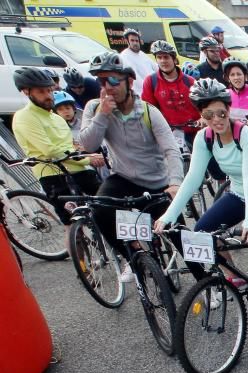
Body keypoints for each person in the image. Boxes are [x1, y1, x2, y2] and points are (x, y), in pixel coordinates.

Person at [153, 78, 248, 329]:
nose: (216, 120)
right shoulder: (204, 138)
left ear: (229, 110)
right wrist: (168, 215)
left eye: (221, 113)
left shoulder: (246, 135)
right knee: (201, 231)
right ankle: (234, 275)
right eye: (208, 115)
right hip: (238, 194)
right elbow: (192, 179)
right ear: (201, 114)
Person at [78, 52, 183, 274]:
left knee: (180, 236)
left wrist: (174, 183)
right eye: (102, 81)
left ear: (130, 81)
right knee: (99, 209)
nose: (108, 86)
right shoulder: (95, 108)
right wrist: (103, 115)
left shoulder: (148, 111)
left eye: (114, 80)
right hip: (123, 178)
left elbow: (171, 150)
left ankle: (209, 284)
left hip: (157, 181)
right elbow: (88, 144)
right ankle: (133, 257)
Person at [12, 67, 102, 225]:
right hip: (53, 175)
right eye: (41, 92)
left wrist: (86, 155)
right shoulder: (24, 117)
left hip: (78, 170)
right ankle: (76, 246)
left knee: (109, 205)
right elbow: (50, 151)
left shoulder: (57, 118)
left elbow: (71, 147)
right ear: (27, 92)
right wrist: (88, 160)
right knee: (72, 224)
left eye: (49, 91)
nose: (48, 96)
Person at [141, 40, 201, 140]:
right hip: (168, 134)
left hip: (193, 133)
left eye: (166, 57)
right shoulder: (151, 81)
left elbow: (203, 107)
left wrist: (203, 119)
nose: (163, 61)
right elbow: (148, 111)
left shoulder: (189, 81)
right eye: (159, 57)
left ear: (174, 60)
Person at [118, 28, 157, 96]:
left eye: (137, 40)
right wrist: (149, 90)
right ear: (127, 41)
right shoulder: (124, 56)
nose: (135, 43)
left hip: (154, 89)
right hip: (142, 93)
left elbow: (156, 68)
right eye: (132, 40)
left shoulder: (142, 54)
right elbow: (135, 79)